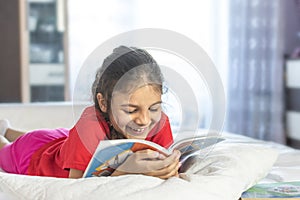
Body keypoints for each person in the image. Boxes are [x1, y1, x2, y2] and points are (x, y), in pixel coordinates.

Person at [0, 46, 181, 179]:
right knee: (5, 149)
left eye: (154, 108)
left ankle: (7, 129)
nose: (144, 120)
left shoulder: (157, 122)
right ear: (103, 103)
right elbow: (77, 187)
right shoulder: (89, 125)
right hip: (35, 155)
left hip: (63, 141)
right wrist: (124, 171)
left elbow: (167, 163)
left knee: (53, 140)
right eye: (131, 110)